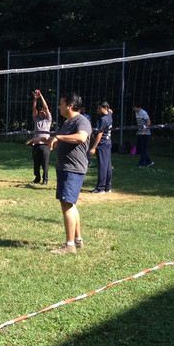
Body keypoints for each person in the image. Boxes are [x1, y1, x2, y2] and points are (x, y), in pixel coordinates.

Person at [47, 92, 91, 255]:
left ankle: (69, 246)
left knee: (67, 205)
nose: (59, 106)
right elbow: (61, 139)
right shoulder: (67, 122)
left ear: (70, 105)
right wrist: (41, 140)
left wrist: (58, 137)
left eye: (61, 103)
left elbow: (81, 137)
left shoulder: (81, 120)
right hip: (65, 168)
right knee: (69, 204)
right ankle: (77, 240)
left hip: (73, 168)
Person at [25, 90, 52, 184]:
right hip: (36, 144)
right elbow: (34, 109)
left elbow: (46, 107)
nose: (42, 113)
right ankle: (37, 178)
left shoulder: (48, 119)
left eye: (43, 112)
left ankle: (45, 180)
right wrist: (35, 99)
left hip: (45, 144)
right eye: (40, 111)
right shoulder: (36, 119)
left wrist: (41, 96)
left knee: (45, 163)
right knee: (36, 164)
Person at [89, 101, 113, 193]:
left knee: (102, 166)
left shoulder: (103, 119)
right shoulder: (109, 116)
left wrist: (93, 147)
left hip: (102, 144)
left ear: (105, 108)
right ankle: (108, 186)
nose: (98, 110)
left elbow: (100, 134)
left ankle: (100, 188)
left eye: (100, 108)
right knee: (108, 166)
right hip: (108, 143)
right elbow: (111, 111)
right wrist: (109, 111)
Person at [133, 102, 154, 167]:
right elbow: (140, 123)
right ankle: (149, 161)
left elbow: (149, 122)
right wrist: (138, 130)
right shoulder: (136, 113)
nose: (134, 109)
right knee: (138, 149)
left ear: (139, 107)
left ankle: (141, 164)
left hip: (145, 133)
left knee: (143, 149)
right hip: (140, 132)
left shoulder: (143, 113)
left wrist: (145, 131)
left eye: (135, 108)